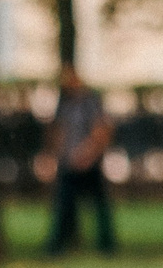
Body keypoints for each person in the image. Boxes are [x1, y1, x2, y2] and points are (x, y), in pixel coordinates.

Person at [44, 64, 117, 257]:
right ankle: (57, 245)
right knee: (64, 205)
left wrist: (87, 154)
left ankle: (107, 246)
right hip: (69, 163)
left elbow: (102, 130)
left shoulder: (91, 102)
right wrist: (57, 156)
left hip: (89, 163)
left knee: (100, 206)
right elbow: (59, 132)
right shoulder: (66, 104)